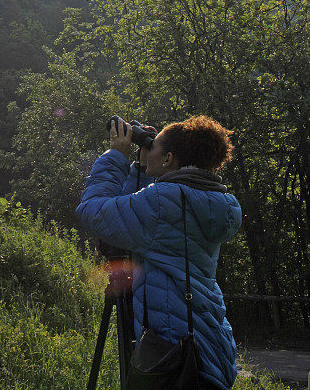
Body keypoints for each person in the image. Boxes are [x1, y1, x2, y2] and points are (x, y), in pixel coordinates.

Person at [76, 114, 242, 390]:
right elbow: (140, 222)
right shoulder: (209, 202)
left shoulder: (163, 203)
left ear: (168, 159)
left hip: (171, 353)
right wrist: (140, 168)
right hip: (209, 342)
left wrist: (116, 156)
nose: (147, 147)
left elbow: (93, 210)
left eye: (152, 144)